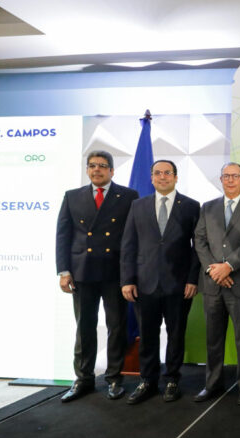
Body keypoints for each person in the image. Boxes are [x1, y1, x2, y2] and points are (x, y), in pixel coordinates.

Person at [56, 150, 138, 402]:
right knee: (84, 328)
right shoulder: (72, 196)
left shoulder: (128, 196)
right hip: (82, 272)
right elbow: (63, 235)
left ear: (112, 171)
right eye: (92, 166)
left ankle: (114, 379)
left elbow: (132, 238)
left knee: (116, 327)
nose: (97, 170)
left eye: (102, 166)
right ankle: (83, 379)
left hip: (115, 272)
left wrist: (130, 275)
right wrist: (63, 271)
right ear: (87, 170)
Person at [120, 159, 200, 404]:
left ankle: (172, 379)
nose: (162, 177)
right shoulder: (138, 206)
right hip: (145, 283)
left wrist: (192, 279)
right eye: (157, 173)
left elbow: (198, 247)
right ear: (151, 178)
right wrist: (127, 280)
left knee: (176, 335)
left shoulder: (191, 206)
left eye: (167, 173)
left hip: (179, 284)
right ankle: (148, 380)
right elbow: (128, 245)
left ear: (176, 177)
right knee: (147, 334)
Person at [193, 163, 240, 405]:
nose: (230, 180)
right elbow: (199, 240)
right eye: (226, 176)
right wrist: (214, 270)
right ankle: (212, 384)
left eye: (235, 176)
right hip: (213, 284)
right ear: (220, 179)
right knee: (213, 338)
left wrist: (228, 266)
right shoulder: (208, 207)